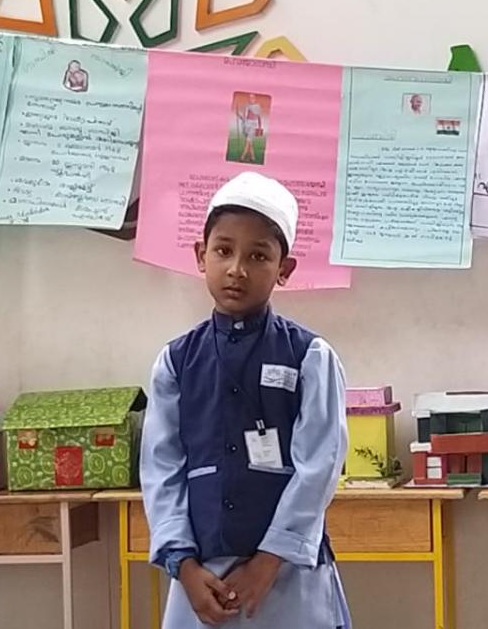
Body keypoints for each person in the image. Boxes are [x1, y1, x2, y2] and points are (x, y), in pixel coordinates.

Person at [142, 171, 350, 629]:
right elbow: (160, 468)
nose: (237, 269)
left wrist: (268, 562)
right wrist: (183, 565)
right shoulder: (176, 362)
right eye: (223, 251)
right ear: (201, 255)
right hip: (201, 580)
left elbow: (320, 465)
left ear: (285, 269)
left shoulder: (310, 357)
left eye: (258, 256)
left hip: (287, 574)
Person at [237, 94, 264, 163]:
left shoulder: (257, 106)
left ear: (255, 99)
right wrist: (239, 115)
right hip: (247, 124)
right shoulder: (247, 106)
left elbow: (259, 118)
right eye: (249, 98)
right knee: (250, 143)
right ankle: (253, 157)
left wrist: (260, 127)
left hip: (253, 125)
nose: (251, 99)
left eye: (252, 98)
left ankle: (242, 157)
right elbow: (245, 118)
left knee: (248, 141)